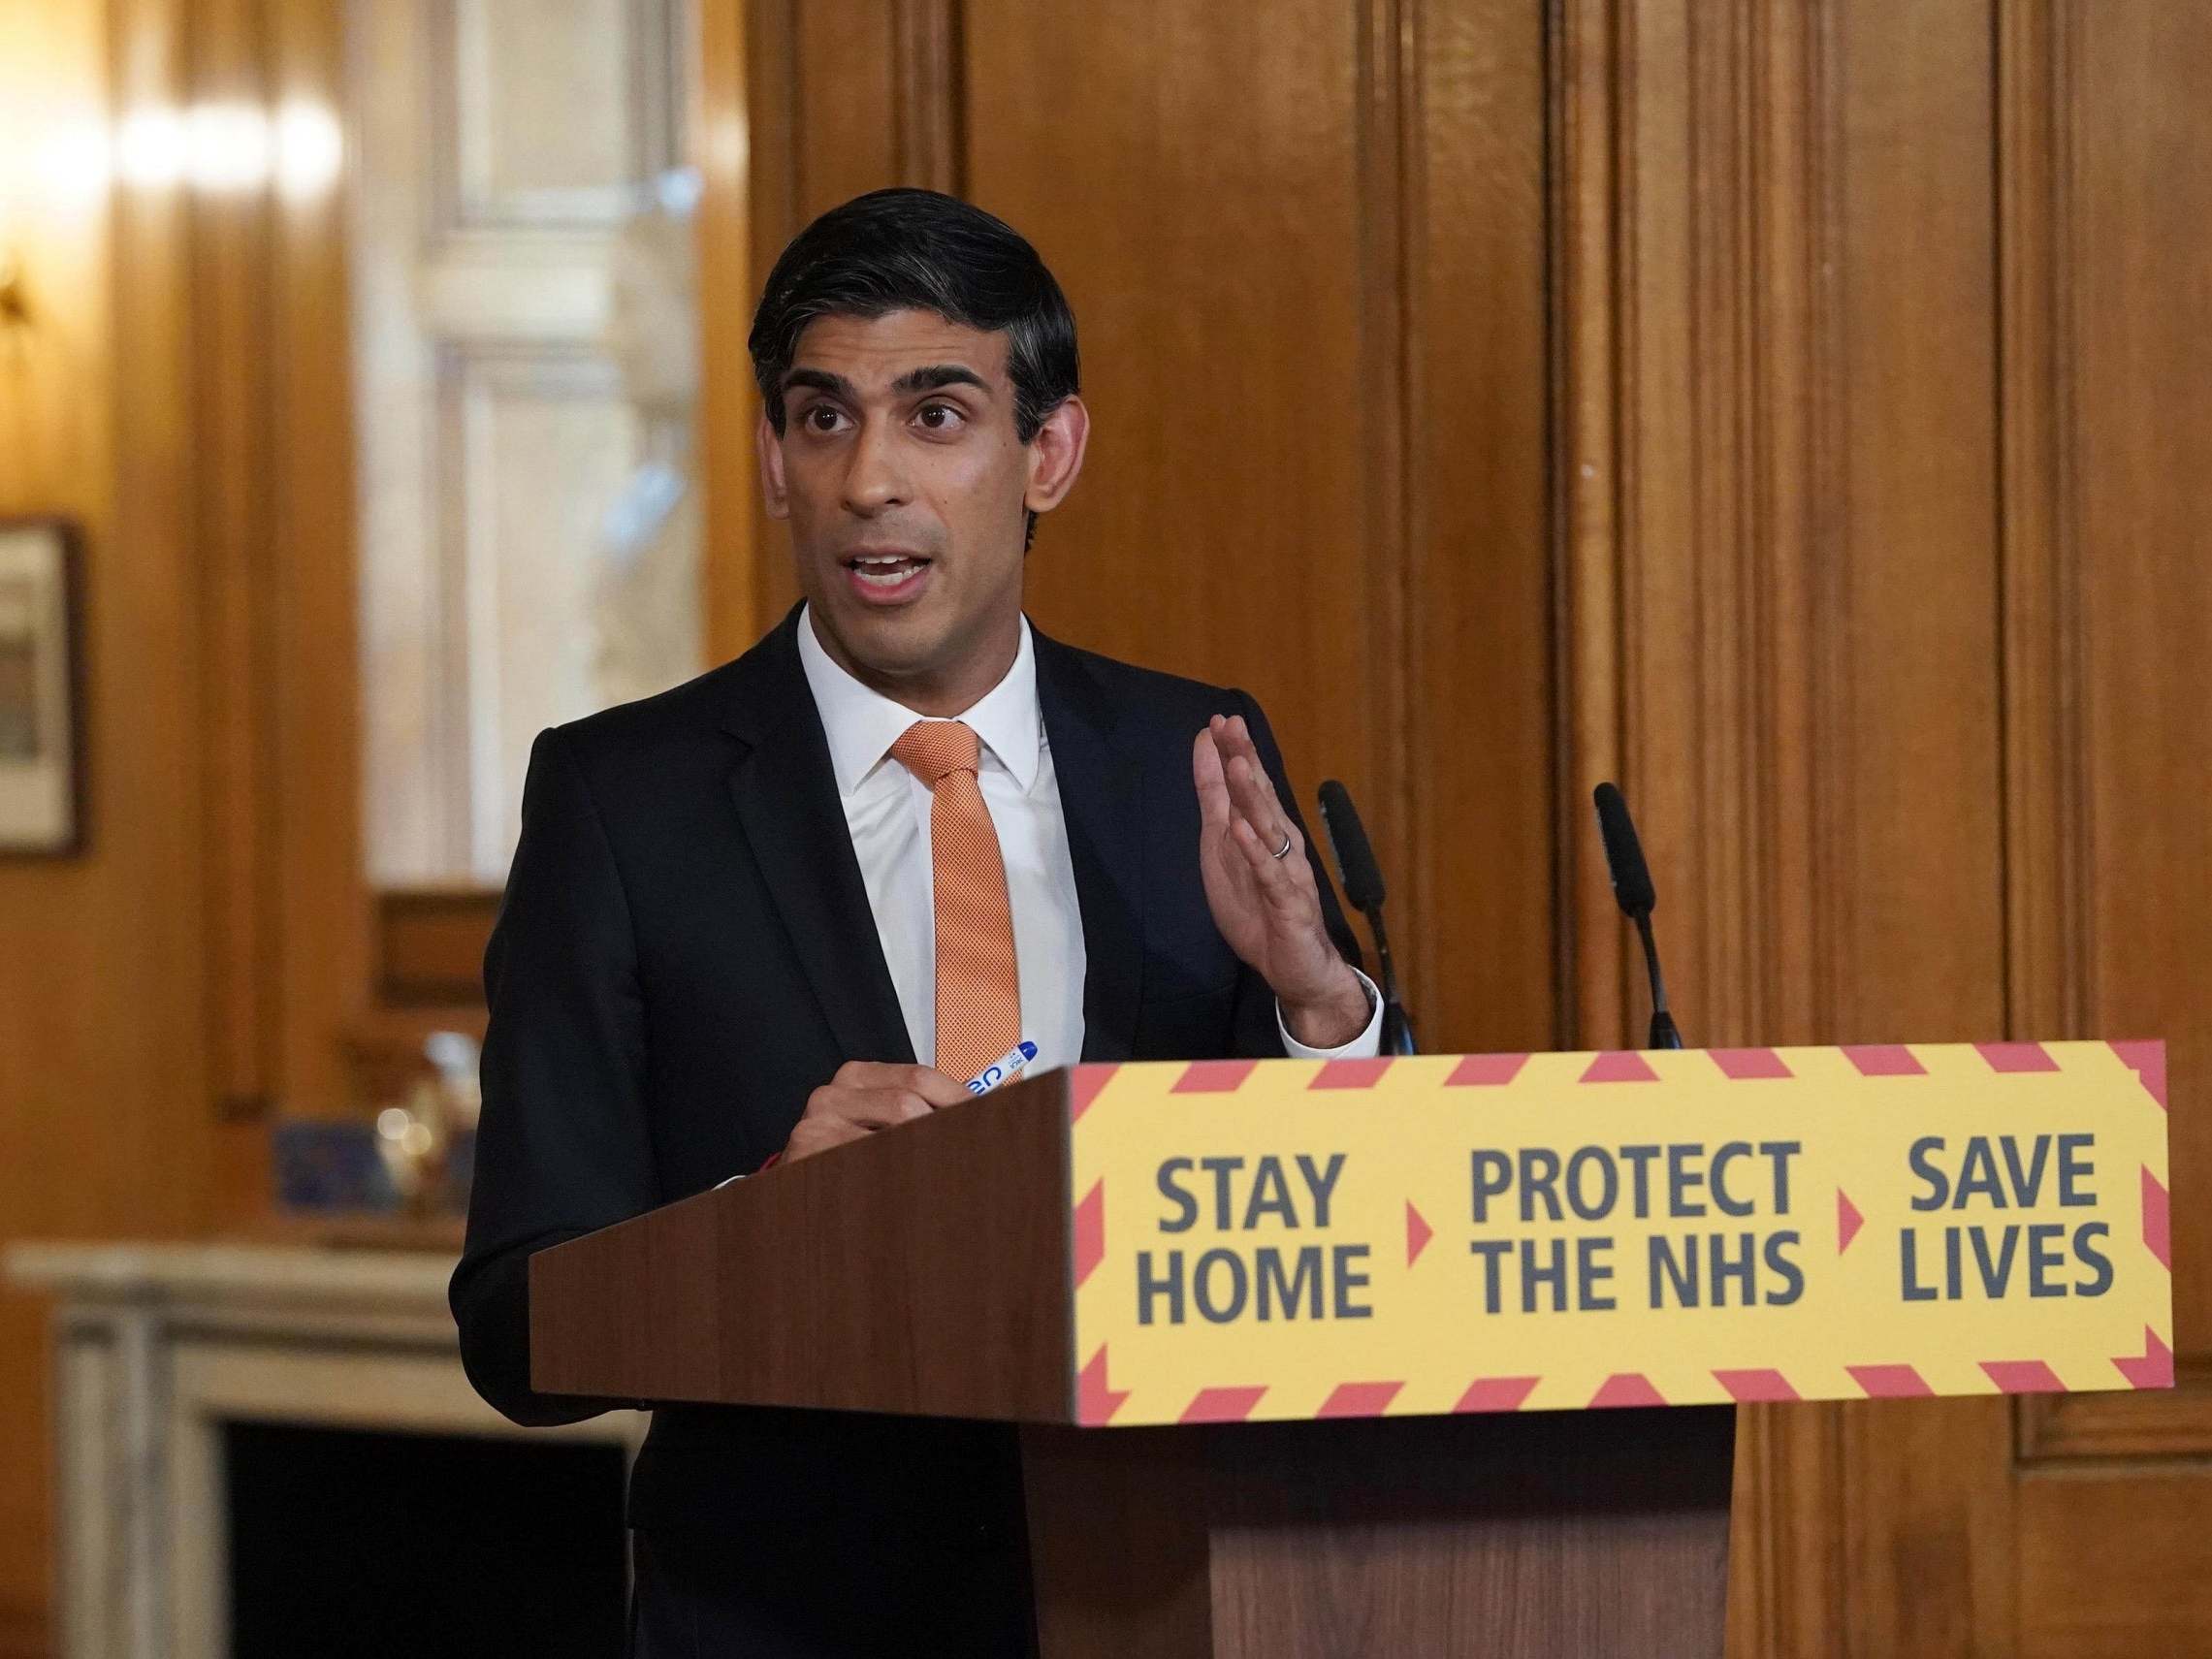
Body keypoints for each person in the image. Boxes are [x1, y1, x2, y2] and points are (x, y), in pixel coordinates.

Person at [452, 186, 1382, 1657]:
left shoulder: (1183, 759)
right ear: (772, 459)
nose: (870, 479)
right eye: (824, 420)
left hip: (1166, 1589)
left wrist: (1321, 1011)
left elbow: (1360, 1242)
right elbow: (514, 1331)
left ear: (1048, 452)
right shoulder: (622, 801)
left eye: (935, 416)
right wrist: (765, 1222)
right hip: (786, 1611)